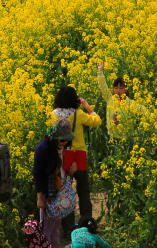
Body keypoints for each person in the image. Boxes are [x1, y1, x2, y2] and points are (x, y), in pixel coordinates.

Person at [49, 86, 101, 233]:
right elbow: (97, 121)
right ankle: (87, 225)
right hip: (79, 155)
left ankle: (69, 228)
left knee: (65, 190)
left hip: (63, 154)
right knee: (84, 190)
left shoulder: (53, 115)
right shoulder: (78, 114)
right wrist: (88, 107)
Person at [33, 119, 74, 248]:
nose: (65, 142)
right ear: (55, 137)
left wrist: (72, 170)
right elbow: (37, 174)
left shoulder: (65, 147)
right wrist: (40, 198)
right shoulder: (43, 149)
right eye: (62, 140)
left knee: (56, 228)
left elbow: (63, 169)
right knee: (46, 229)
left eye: (67, 139)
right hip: (48, 193)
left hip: (61, 192)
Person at [96, 61, 140, 137]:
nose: (118, 91)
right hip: (112, 136)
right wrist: (100, 71)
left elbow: (142, 110)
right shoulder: (110, 99)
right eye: (116, 88)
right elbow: (103, 87)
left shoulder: (130, 103)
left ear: (126, 89)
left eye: (121, 88)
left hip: (126, 137)